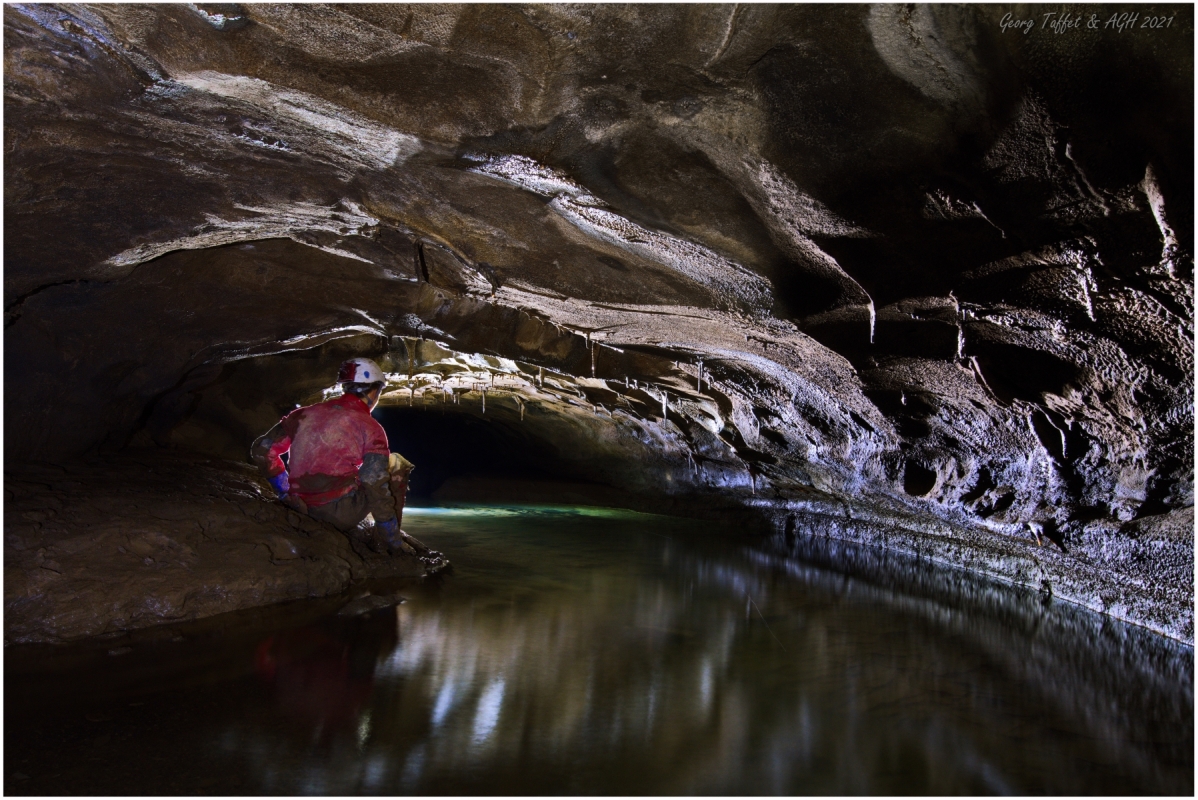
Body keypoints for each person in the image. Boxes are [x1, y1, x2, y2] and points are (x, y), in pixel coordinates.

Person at [251, 357, 412, 555]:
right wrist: (392, 538)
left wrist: (284, 491)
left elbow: (262, 449)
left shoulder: (303, 414)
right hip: (338, 514)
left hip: (297, 506)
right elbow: (372, 479)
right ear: (374, 391)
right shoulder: (370, 426)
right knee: (395, 464)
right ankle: (387, 542)